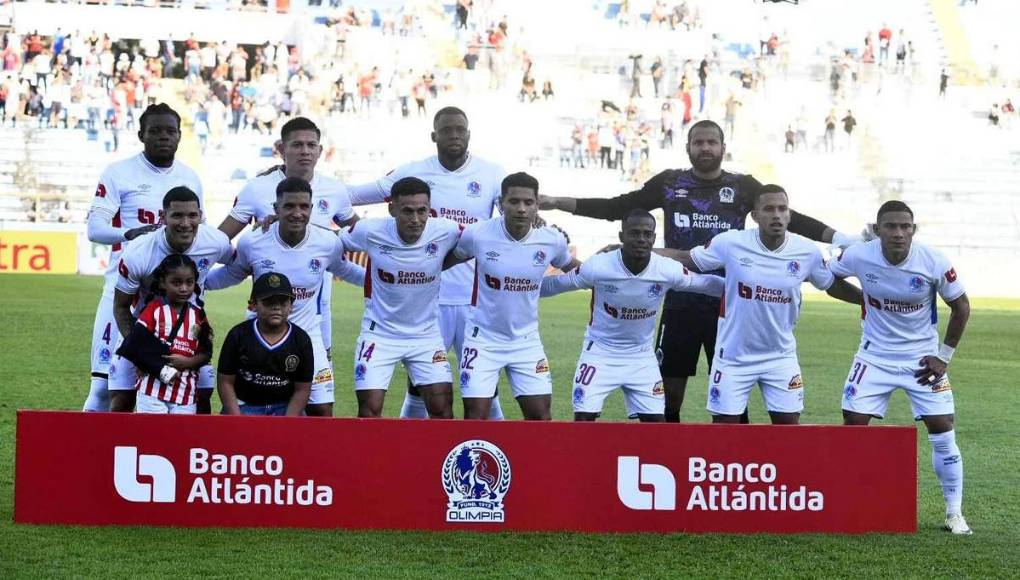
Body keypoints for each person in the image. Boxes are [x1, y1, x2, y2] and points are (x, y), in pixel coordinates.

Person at [540, 120, 863, 423]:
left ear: (723, 147)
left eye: (712, 142)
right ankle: (670, 463)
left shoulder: (743, 186)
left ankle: (730, 471)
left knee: (732, 402)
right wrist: (556, 202)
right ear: (688, 147)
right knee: (668, 395)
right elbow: (616, 207)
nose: (705, 148)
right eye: (698, 142)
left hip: (730, 305)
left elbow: (793, 217)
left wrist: (840, 238)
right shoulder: (670, 183)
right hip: (680, 298)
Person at [348, 106, 506, 420]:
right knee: (422, 390)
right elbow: (351, 195)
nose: (454, 135)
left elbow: (508, 226)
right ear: (434, 136)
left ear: (469, 133)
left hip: (475, 301)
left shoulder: (492, 174)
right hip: (426, 304)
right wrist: (287, 181)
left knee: (484, 389)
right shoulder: (413, 172)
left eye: (460, 129)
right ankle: (414, 456)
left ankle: (494, 455)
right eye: (447, 130)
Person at [829, 200, 973, 535]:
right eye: (890, 227)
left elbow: (961, 306)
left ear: (913, 230)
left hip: (922, 360)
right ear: (877, 230)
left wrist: (944, 356)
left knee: (943, 428)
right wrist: (859, 298)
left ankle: (954, 513)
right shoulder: (859, 255)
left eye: (904, 227)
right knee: (852, 424)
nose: (898, 233)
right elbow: (829, 278)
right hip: (874, 355)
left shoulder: (933, 261)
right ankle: (852, 505)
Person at [661, 185, 862, 423]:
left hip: (780, 357)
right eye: (768, 209)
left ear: (789, 215)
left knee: (788, 433)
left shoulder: (806, 252)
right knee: (725, 433)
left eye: (782, 209)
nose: (776, 215)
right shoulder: (730, 243)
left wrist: (870, 300)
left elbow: (831, 284)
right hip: (733, 358)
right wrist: (631, 252)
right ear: (755, 216)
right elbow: (686, 259)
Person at [540, 211, 723, 422]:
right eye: (634, 233)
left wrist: (741, 288)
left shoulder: (666, 269)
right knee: (583, 420)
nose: (641, 239)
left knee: (656, 425)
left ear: (654, 238)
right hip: (600, 353)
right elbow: (557, 284)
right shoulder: (599, 266)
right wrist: (522, 287)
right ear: (621, 236)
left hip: (641, 358)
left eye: (647, 234)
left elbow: (705, 284)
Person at [206, 177, 364, 417]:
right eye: (289, 206)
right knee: (241, 406)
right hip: (258, 333)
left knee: (322, 409)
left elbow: (347, 271)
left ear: (311, 209)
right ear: (276, 208)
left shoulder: (327, 242)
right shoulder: (254, 240)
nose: (297, 213)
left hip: (308, 336)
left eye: (303, 206)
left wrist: (387, 283)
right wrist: (197, 284)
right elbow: (232, 273)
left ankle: (307, 455)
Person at [84, 103, 203, 412]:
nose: (164, 137)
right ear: (141, 134)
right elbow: (95, 229)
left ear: (179, 136)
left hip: (175, 300)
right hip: (123, 293)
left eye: (170, 131)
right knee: (103, 387)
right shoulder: (118, 173)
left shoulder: (191, 178)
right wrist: (130, 233)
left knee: (187, 387)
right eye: (155, 131)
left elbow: (198, 231)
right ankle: (90, 455)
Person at [218, 117, 358, 373]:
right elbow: (219, 240)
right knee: (259, 380)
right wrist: (248, 250)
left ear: (319, 150)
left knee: (315, 386)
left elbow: (362, 236)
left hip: (316, 306)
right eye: (297, 145)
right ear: (282, 149)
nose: (305, 151)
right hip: (265, 305)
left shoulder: (335, 190)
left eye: (310, 145)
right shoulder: (257, 188)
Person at [448, 172, 580, 420]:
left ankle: (532, 461)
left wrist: (608, 279)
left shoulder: (551, 240)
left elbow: (574, 267)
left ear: (537, 206)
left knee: (541, 419)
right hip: (482, 340)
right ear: (501, 203)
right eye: (514, 201)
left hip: (526, 341)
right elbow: (446, 261)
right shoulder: (477, 234)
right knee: (475, 418)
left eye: (528, 203)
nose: (521, 209)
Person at [340, 177, 462, 419]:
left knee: (443, 411)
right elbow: (328, 243)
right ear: (392, 209)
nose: (415, 220)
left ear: (430, 209)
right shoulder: (369, 231)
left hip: (425, 335)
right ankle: (372, 458)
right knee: (369, 410)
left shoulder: (446, 230)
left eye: (422, 211)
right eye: (407, 211)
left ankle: (427, 457)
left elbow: (484, 239)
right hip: (380, 334)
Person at [108, 187, 232, 413]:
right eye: (177, 215)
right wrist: (142, 354)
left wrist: (206, 283)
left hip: (188, 332)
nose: (186, 223)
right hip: (143, 329)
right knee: (122, 399)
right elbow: (121, 307)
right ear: (163, 217)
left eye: (192, 215)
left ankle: (195, 448)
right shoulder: (139, 252)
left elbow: (237, 266)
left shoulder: (217, 242)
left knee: (203, 393)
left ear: (200, 216)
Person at [118, 253, 213, 415]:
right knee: (153, 438)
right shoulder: (153, 310)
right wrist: (144, 363)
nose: (184, 288)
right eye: (176, 283)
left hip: (185, 395)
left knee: (181, 440)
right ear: (162, 283)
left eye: (189, 283)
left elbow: (206, 353)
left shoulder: (199, 315)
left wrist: (189, 362)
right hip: (151, 392)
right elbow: (135, 344)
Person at [217, 272, 314, 417]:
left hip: (285, 407)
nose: (276, 307)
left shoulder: (301, 340)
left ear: (291, 305)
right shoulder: (238, 335)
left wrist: (288, 423)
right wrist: (237, 420)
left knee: (297, 438)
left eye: (282, 301)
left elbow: (303, 389)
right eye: (269, 301)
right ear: (255, 304)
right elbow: (225, 382)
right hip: (245, 405)